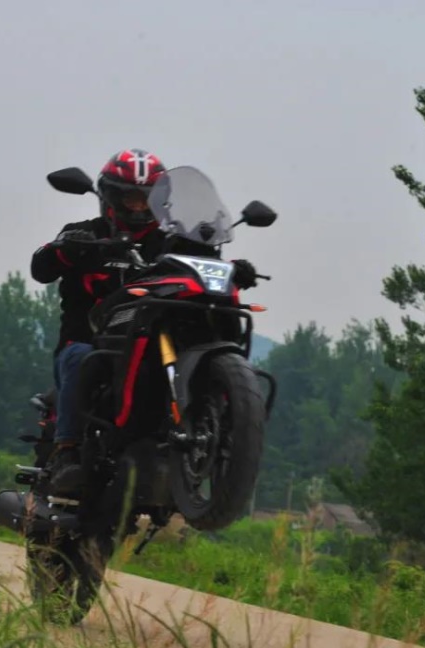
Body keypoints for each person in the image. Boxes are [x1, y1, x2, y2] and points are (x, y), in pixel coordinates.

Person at [30, 148, 259, 496]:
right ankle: (67, 451)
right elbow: (41, 267)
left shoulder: (175, 240)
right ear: (111, 197)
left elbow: (205, 261)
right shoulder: (86, 232)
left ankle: (208, 425)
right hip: (92, 337)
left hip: (154, 332)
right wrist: (67, 248)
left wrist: (233, 270)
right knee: (79, 358)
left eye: (146, 198)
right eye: (130, 198)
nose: (138, 207)